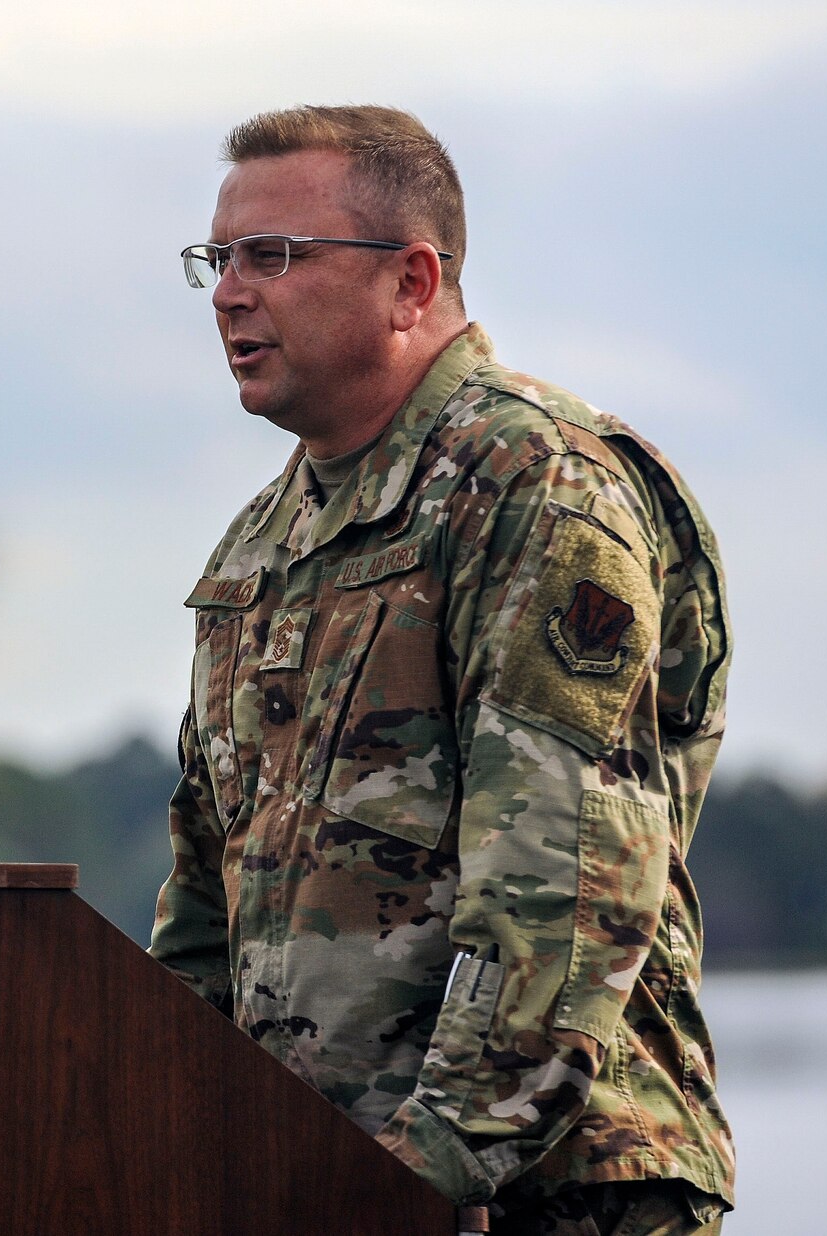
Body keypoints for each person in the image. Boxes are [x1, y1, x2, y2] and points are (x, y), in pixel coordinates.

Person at [148, 105, 735, 1236]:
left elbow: (560, 891)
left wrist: (424, 1170)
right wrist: (164, 1139)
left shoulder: (534, 483)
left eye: (272, 254)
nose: (227, 292)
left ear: (410, 282)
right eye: (216, 259)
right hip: (326, 1185)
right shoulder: (259, 544)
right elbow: (200, 913)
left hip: (545, 1188)